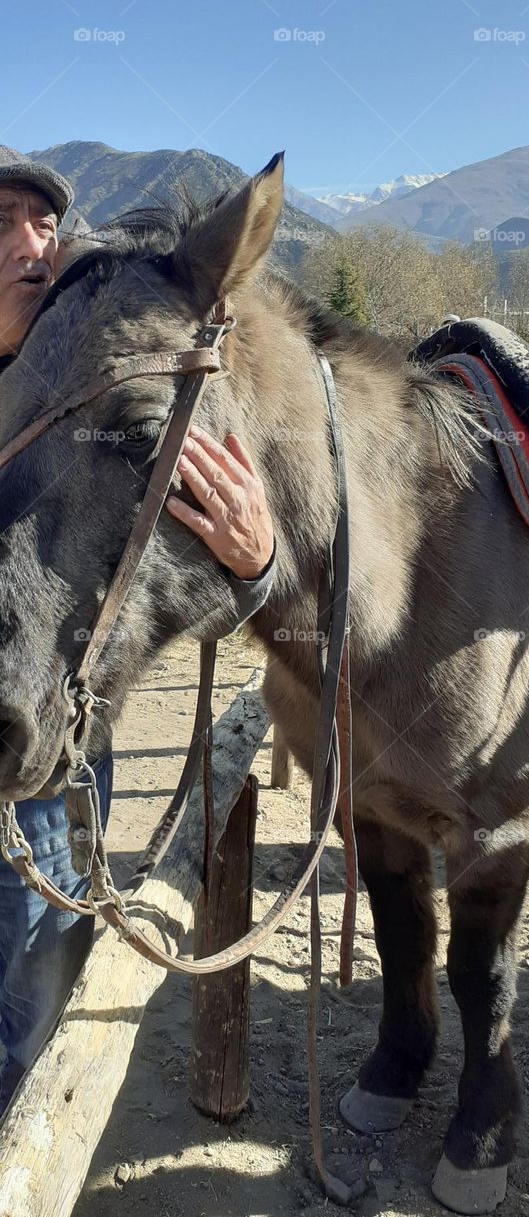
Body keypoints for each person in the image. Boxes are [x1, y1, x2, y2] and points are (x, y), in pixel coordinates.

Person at [0, 147, 275, 1111]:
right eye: (1, 223)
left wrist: (252, 564)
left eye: (44, 222)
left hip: (54, 764)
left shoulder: (93, 385)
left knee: (36, 991)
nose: (34, 247)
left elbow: (182, 588)